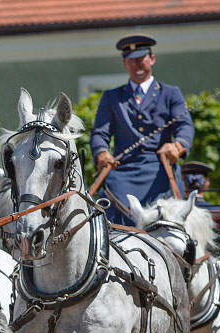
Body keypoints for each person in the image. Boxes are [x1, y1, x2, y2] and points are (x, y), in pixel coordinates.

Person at [90, 34, 194, 226]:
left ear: (152, 59)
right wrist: (102, 153)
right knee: (106, 200)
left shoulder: (171, 93)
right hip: (123, 169)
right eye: (130, 61)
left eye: (140, 59)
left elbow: (185, 125)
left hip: (160, 167)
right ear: (124, 64)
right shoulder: (111, 97)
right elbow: (100, 132)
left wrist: (178, 146)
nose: (136, 64)